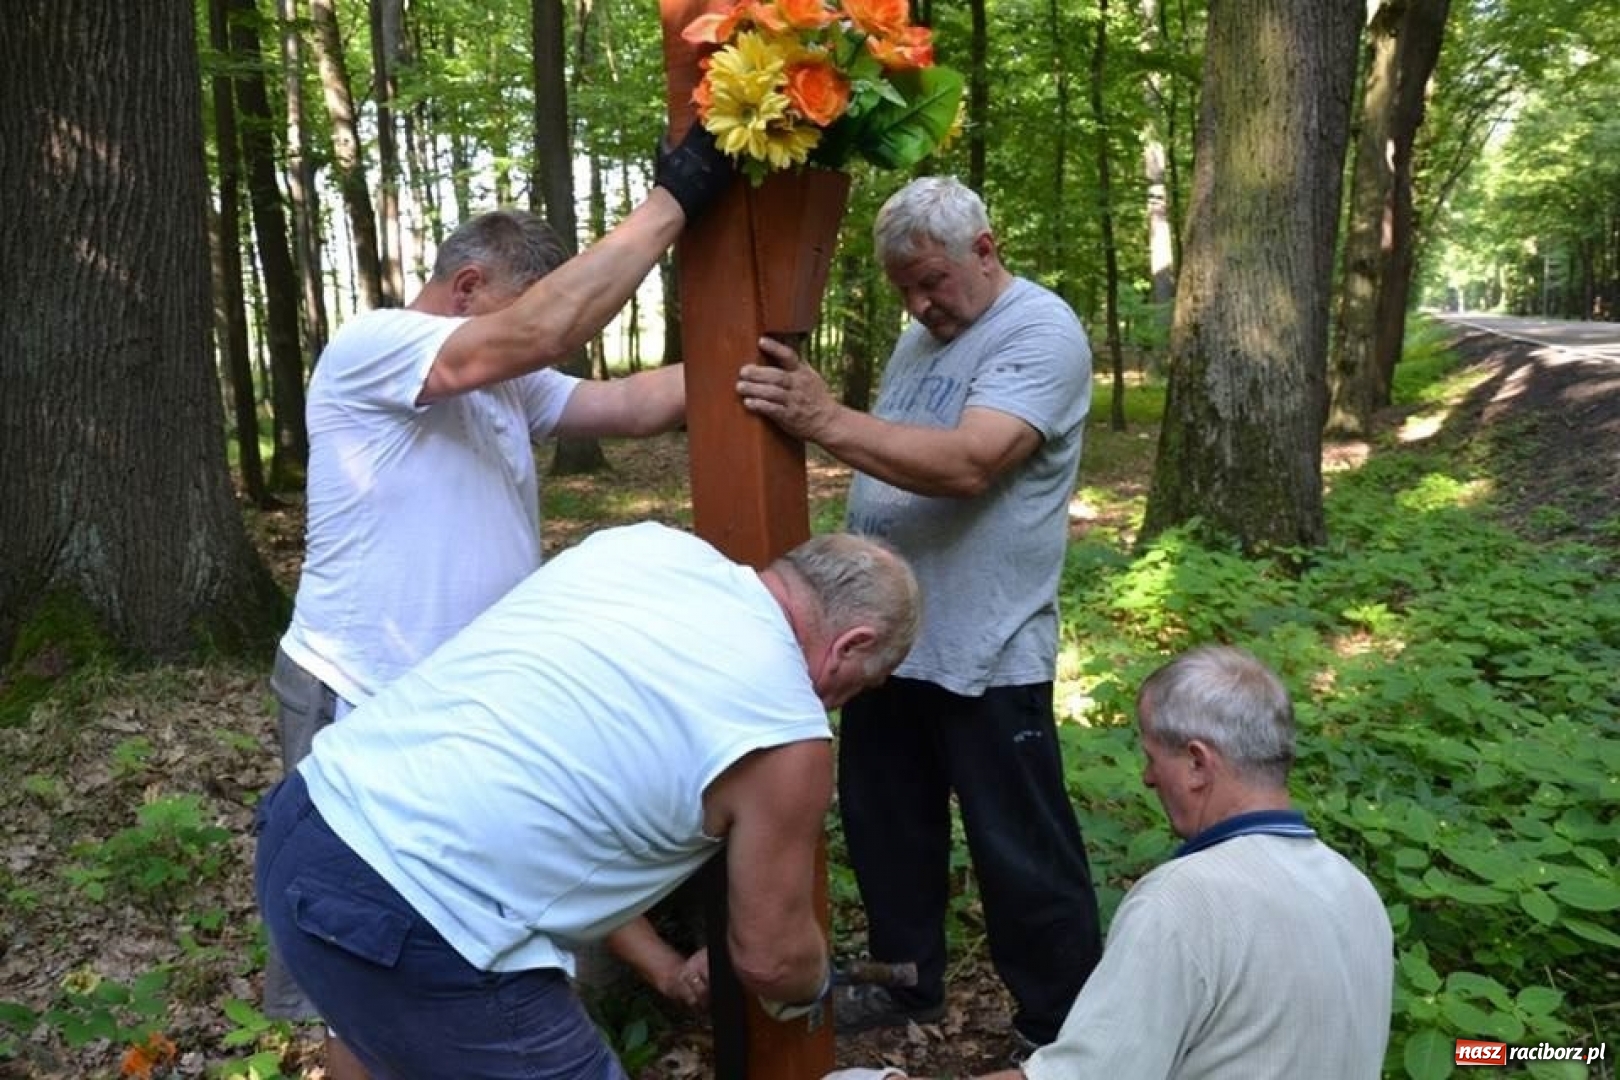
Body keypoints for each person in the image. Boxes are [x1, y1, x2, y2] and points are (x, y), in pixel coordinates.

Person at [265, 129, 735, 1076]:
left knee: (460, 936)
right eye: (527, 302)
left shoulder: (505, 388)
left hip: (457, 711)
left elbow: (635, 403)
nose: (545, 330)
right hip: (360, 690)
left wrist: (751, 352)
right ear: (471, 288)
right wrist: (672, 201)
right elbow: (541, 333)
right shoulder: (376, 347)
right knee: (359, 979)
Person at [255, 522, 921, 1080]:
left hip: (310, 824)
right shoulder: (786, 735)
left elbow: (568, 788)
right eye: (866, 682)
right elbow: (770, 958)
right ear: (852, 644)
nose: (842, 704)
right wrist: (812, 987)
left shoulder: (651, 547)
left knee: (377, 1050)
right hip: (420, 921)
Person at [736, 175, 1101, 1052]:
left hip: (988, 648)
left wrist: (825, 417)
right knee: (885, 830)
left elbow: (973, 461)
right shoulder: (919, 341)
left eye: (931, 280)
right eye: (904, 286)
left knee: (1021, 853)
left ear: (986, 248)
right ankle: (907, 988)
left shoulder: (1039, 331)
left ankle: (1067, 1030)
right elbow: (895, 452)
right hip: (888, 645)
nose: (919, 302)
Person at [823, 646, 1396, 1080]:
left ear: (1198, 762)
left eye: (1153, 758)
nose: (1147, 778)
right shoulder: (1356, 891)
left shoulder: (1184, 899)